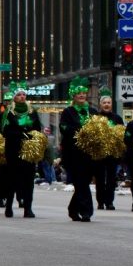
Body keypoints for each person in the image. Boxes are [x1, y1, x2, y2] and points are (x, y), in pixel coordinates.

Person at [60, 76, 97, 222]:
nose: (82, 95)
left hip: (89, 154)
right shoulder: (68, 112)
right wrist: (82, 131)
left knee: (84, 182)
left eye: (83, 92)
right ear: (73, 96)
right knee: (80, 182)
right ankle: (86, 210)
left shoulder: (93, 111)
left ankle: (73, 209)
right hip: (73, 154)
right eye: (78, 93)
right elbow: (64, 129)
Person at [2, 82, 42, 218]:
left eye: (24, 94)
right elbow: (5, 130)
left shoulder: (32, 111)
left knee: (29, 179)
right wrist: (21, 133)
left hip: (28, 149)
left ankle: (28, 208)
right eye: (19, 95)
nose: (22, 97)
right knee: (12, 178)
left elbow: (38, 128)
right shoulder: (9, 112)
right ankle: (9, 206)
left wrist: (32, 136)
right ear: (14, 97)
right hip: (13, 149)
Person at [94, 87, 123, 211]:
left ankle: (109, 202)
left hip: (112, 154)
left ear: (111, 105)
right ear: (100, 105)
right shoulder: (96, 118)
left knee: (111, 179)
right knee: (100, 179)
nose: (106, 105)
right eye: (104, 103)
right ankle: (100, 201)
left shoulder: (117, 118)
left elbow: (122, 134)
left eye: (108, 103)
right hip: (99, 153)